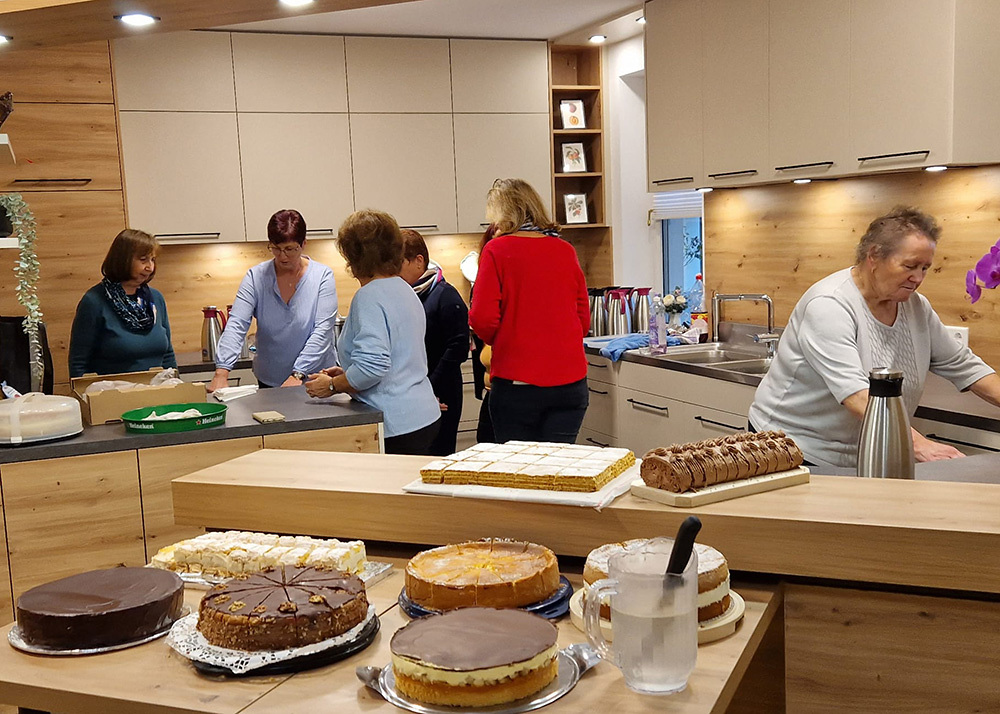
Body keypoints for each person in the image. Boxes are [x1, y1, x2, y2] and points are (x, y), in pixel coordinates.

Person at [749, 206, 1000, 468]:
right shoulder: (829, 305)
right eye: (910, 266)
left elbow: (963, 364)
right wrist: (919, 445)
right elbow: (857, 395)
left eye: (925, 268)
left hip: (865, 448)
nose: (918, 278)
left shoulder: (916, 307)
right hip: (793, 448)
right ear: (874, 256)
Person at [305, 210, 440, 455]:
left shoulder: (368, 296)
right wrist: (349, 374)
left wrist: (333, 385)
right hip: (424, 416)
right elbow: (397, 358)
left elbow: (372, 368)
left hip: (395, 424)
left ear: (353, 256)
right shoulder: (405, 289)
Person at [468, 178, 590, 443]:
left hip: (518, 385)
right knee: (560, 464)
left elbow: (482, 318)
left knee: (520, 465)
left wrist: (508, 339)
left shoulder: (496, 250)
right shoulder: (565, 250)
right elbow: (582, 320)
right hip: (570, 384)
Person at [209, 209, 338, 391]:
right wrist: (221, 373)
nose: (282, 256)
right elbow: (237, 323)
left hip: (316, 378)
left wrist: (298, 373)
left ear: (303, 244)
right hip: (270, 380)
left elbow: (322, 331)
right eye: (276, 248)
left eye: (290, 249)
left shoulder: (322, 277)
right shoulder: (256, 277)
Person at [69, 229, 176, 377]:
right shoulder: (94, 301)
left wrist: (176, 384)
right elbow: (78, 362)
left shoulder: (156, 298)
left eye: (152, 260)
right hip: (112, 390)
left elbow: (168, 355)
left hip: (158, 388)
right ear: (123, 259)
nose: (150, 267)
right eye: (143, 260)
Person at [399, 229, 469, 455]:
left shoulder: (445, 295)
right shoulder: (407, 295)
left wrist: (430, 389)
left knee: (438, 456)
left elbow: (458, 348)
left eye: (399, 264)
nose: (394, 271)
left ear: (419, 261)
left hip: (441, 389)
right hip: (417, 391)